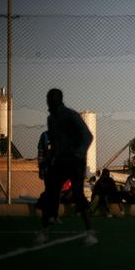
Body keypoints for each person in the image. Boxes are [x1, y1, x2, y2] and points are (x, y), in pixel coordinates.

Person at [35, 88, 96, 246]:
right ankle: (45, 230)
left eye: (52, 98)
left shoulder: (71, 115)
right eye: (48, 98)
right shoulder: (51, 119)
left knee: (77, 193)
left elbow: (88, 136)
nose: (49, 101)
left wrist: (79, 153)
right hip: (60, 160)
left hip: (75, 160)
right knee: (50, 193)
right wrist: (47, 161)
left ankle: (90, 233)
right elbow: (54, 144)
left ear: (59, 100)